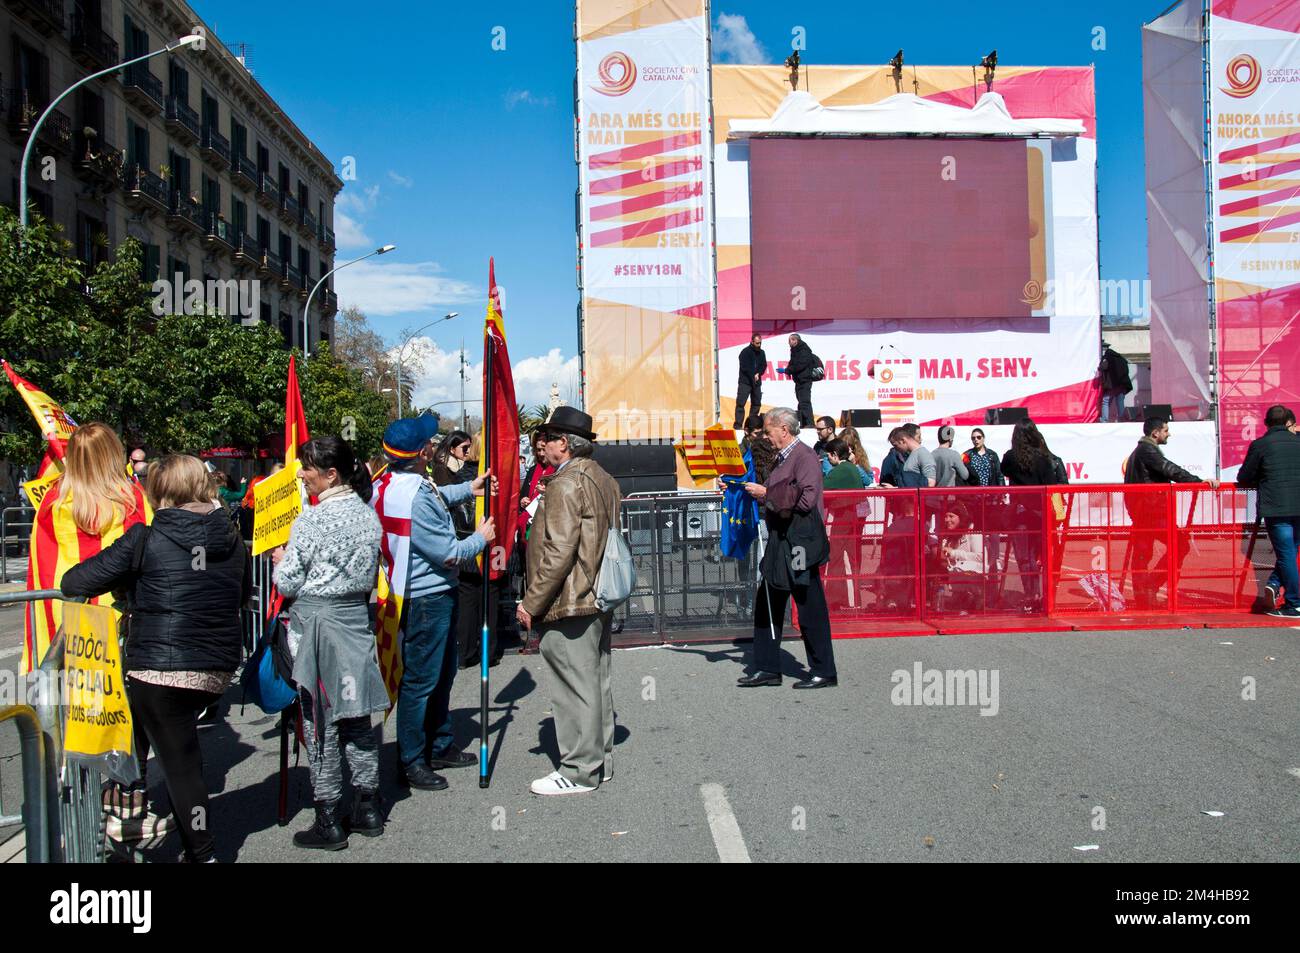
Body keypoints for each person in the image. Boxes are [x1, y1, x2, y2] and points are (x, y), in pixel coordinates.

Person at [61, 454, 249, 863]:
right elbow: (238, 594)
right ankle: (169, 829)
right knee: (183, 756)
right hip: (216, 667)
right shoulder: (230, 538)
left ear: (159, 491)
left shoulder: (145, 538)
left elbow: (74, 580)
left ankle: (202, 851)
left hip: (160, 669)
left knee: (181, 767)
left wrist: (131, 577)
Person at [24, 423, 156, 838]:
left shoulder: (52, 500)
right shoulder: (130, 495)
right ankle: (126, 807)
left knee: (73, 717)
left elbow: (40, 565)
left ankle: (76, 809)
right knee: (125, 717)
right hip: (118, 626)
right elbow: (144, 551)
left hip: (67, 628)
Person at [271, 436, 389, 850]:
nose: (301, 474)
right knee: (357, 717)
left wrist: (281, 563)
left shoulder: (311, 521)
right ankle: (368, 805)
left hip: (319, 626)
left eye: (306, 468)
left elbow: (288, 582)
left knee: (320, 721)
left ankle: (328, 817)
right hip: (355, 622)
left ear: (330, 474)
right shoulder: (368, 516)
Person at [377, 416, 496, 791]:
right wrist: (480, 538)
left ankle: (439, 742)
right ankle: (412, 759)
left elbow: (435, 495)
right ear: (422, 452)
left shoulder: (390, 482)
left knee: (441, 675)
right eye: (429, 441)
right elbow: (448, 554)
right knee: (421, 682)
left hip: (416, 591)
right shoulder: (415, 495)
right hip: (427, 596)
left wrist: (468, 488)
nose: (433, 445)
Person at [516, 407, 622, 794]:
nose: (542, 444)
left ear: (565, 443)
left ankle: (579, 770)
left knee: (573, 687)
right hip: (598, 594)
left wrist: (531, 602)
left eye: (548, 437)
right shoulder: (602, 478)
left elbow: (558, 552)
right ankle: (599, 761)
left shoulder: (565, 483)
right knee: (595, 681)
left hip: (571, 599)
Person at [738, 407, 838, 689]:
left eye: (769, 431)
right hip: (782, 539)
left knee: (808, 605)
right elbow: (771, 496)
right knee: (768, 602)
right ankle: (768, 667)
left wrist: (767, 493)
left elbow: (806, 500)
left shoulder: (804, 456)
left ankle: (823, 670)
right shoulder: (784, 458)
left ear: (784, 429)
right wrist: (738, 488)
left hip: (799, 541)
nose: (766, 437)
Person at [1122, 417, 1217, 610]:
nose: (1169, 434)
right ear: (1155, 433)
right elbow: (1169, 469)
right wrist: (1197, 481)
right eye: (1166, 430)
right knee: (1178, 545)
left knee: (1143, 553)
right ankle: (1150, 586)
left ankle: (1144, 594)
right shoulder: (1147, 450)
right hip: (1151, 511)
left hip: (1144, 510)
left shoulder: (1141, 451)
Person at [432, 430, 502, 668]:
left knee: (467, 600)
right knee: (490, 598)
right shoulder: (490, 479)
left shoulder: (458, 478)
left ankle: (465, 652)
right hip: (490, 544)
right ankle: (488, 653)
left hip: (465, 543)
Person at [1236, 404, 1300, 617]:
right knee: (1290, 553)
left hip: (1276, 506)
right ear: (1287, 422)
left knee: (1286, 554)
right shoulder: (1297, 442)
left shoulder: (1261, 445)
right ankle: (1274, 585)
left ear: (1266, 423)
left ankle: (1294, 603)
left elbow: (1244, 477)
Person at [999, 418, 1059, 611]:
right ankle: (1042, 595)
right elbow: (1051, 483)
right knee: (1038, 557)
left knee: (1024, 557)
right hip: (1040, 513)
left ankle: (1031, 594)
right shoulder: (1043, 458)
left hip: (1020, 511)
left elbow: (1003, 469)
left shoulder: (1010, 457)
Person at [784, 333, 819, 428]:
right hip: (798, 380)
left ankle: (810, 423)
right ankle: (803, 422)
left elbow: (800, 365)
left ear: (795, 341)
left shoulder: (804, 350)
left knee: (805, 402)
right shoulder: (794, 351)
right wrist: (788, 371)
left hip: (805, 380)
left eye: (790, 341)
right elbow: (792, 363)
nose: (788, 343)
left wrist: (788, 370)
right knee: (801, 402)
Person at [735, 333, 767, 428]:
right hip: (745, 382)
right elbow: (745, 367)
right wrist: (753, 375)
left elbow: (763, 365)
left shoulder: (762, 352)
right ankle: (738, 424)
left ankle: (751, 424)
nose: (759, 345)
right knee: (741, 403)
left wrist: (759, 373)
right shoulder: (745, 352)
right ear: (752, 342)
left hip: (756, 383)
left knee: (756, 403)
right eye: (757, 343)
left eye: (760, 343)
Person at [1098, 342, 1133, 423]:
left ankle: (1104, 419)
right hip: (1122, 383)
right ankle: (1121, 419)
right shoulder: (1121, 358)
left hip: (1113, 384)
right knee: (1120, 401)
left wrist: (1100, 366)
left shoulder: (1108, 357)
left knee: (1105, 400)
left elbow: (1103, 367)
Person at [898, 424, 937, 488]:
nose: (921, 440)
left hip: (920, 496)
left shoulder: (923, 454)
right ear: (910, 438)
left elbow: (931, 483)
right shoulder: (903, 456)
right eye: (919, 437)